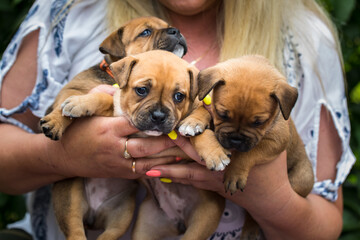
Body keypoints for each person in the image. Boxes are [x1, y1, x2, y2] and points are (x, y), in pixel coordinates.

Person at [0, 0, 355, 239]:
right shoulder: (74, 11)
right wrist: (62, 157)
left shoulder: (305, 41)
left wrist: (271, 197)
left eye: (179, 96)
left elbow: (325, 222)